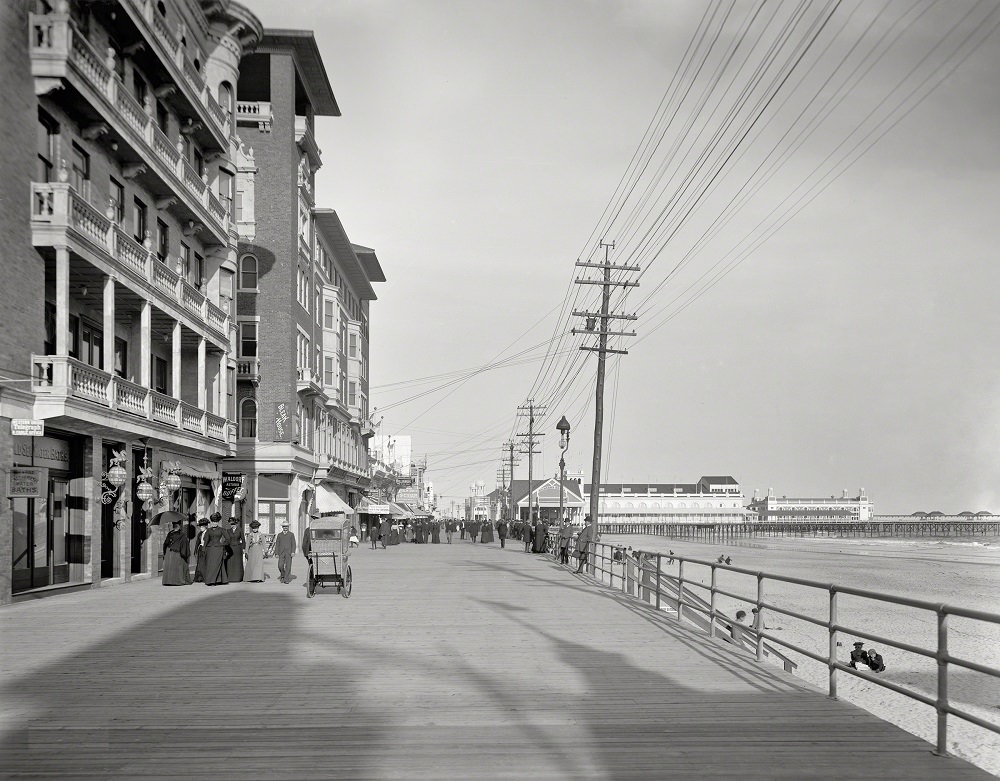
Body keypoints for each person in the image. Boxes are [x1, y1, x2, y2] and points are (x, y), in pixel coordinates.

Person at [202, 513, 231, 586]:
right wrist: (203, 549)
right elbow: (206, 540)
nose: (214, 523)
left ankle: (212, 581)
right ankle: (215, 580)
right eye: (213, 522)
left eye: (216, 522)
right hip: (210, 549)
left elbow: (228, 539)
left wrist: (222, 544)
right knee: (210, 565)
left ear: (218, 522)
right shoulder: (208, 530)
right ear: (211, 522)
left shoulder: (222, 530)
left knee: (216, 565)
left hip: (218, 549)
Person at [161, 519, 190, 586]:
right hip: (177, 553)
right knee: (177, 567)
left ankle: (168, 581)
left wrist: (165, 552)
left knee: (169, 567)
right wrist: (185, 554)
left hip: (169, 552)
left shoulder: (170, 533)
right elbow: (185, 544)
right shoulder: (182, 535)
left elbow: (166, 543)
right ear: (179, 526)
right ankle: (177, 581)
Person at [225, 517, 245, 583]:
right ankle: (230, 578)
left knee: (237, 563)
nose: (232, 526)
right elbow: (226, 540)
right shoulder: (228, 531)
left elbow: (243, 540)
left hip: (238, 548)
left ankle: (238, 577)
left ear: (236, 524)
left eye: (233, 524)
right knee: (230, 563)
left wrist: (243, 548)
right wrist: (225, 548)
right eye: (231, 524)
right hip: (230, 548)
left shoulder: (240, 530)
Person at [193, 518, 209, 582]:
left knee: (205, 563)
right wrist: (195, 550)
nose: (201, 528)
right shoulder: (199, 534)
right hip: (201, 549)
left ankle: (206, 577)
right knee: (200, 563)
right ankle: (199, 578)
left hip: (207, 549)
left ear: (206, 527)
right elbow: (197, 542)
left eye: (202, 527)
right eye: (200, 527)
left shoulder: (209, 532)